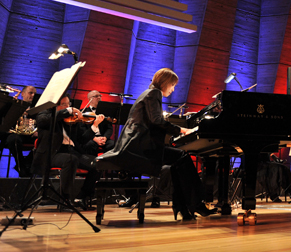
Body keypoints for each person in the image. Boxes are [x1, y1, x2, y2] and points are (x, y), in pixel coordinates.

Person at [98, 68, 217, 220]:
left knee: (178, 162)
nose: (173, 89)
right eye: (173, 85)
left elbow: (153, 122)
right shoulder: (155, 93)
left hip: (136, 145)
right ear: (165, 83)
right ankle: (194, 204)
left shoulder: (147, 93)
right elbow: (157, 121)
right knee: (182, 157)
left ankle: (184, 207)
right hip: (140, 148)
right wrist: (181, 130)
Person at [32, 94, 100, 208]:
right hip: (53, 153)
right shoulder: (45, 114)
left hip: (72, 151)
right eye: (64, 104)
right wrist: (67, 111)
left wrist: (94, 126)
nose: (68, 107)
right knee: (70, 160)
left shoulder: (70, 120)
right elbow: (43, 121)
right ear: (55, 105)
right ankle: (65, 199)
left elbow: (81, 139)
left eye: (69, 104)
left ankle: (82, 197)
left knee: (98, 163)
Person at [0, 86, 37, 177]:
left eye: (34, 94)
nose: (33, 95)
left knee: (46, 140)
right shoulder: (14, 106)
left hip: (30, 135)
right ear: (23, 94)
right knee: (13, 140)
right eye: (30, 93)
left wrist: (38, 131)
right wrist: (17, 112)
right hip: (15, 134)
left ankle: (26, 163)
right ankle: (22, 168)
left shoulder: (37, 108)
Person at [78, 90, 115, 155]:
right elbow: (82, 129)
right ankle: (93, 161)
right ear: (90, 99)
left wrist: (105, 137)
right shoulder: (83, 112)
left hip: (103, 137)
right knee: (89, 145)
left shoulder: (105, 112)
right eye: (96, 96)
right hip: (90, 138)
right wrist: (94, 138)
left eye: (100, 96)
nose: (99, 97)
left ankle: (106, 161)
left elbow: (109, 128)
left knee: (113, 144)